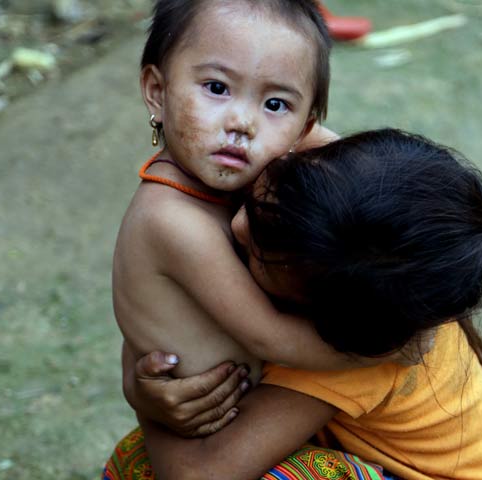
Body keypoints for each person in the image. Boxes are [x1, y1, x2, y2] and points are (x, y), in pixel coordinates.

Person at [108, 129, 482, 479]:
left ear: (325, 317)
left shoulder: (356, 355)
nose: (239, 225)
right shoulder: (345, 204)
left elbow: (195, 474)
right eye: (268, 199)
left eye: (265, 258)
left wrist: (145, 397)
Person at [113, 0, 384, 431]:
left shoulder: (268, 155)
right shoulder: (172, 220)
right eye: (217, 88)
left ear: (304, 125)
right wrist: (388, 349)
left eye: (275, 104)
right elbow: (269, 335)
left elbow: (370, 179)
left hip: (260, 407)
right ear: (157, 92)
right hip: (213, 438)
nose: (242, 122)